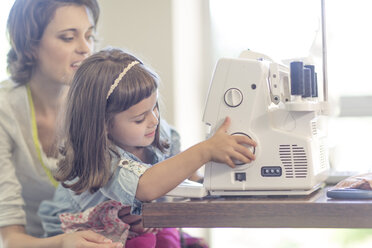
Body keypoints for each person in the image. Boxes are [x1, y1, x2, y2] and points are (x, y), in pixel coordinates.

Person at [38, 47, 257, 247]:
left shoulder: (157, 133)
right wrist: (205, 150)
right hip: (89, 236)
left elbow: (179, 166)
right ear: (103, 125)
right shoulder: (104, 157)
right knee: (146, 241)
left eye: (155, 108)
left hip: (137, 226)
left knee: (167, 234)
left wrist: (208, 181)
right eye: (139, 118)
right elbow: (145, 186)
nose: (154, 120)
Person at [0, 0, 122, 247]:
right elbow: (11, 238)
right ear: (30, 46)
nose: (85, 48)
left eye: (90, 36)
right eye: (68, 38)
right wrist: (64, 242)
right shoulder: (5, 111)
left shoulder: (103, 100)